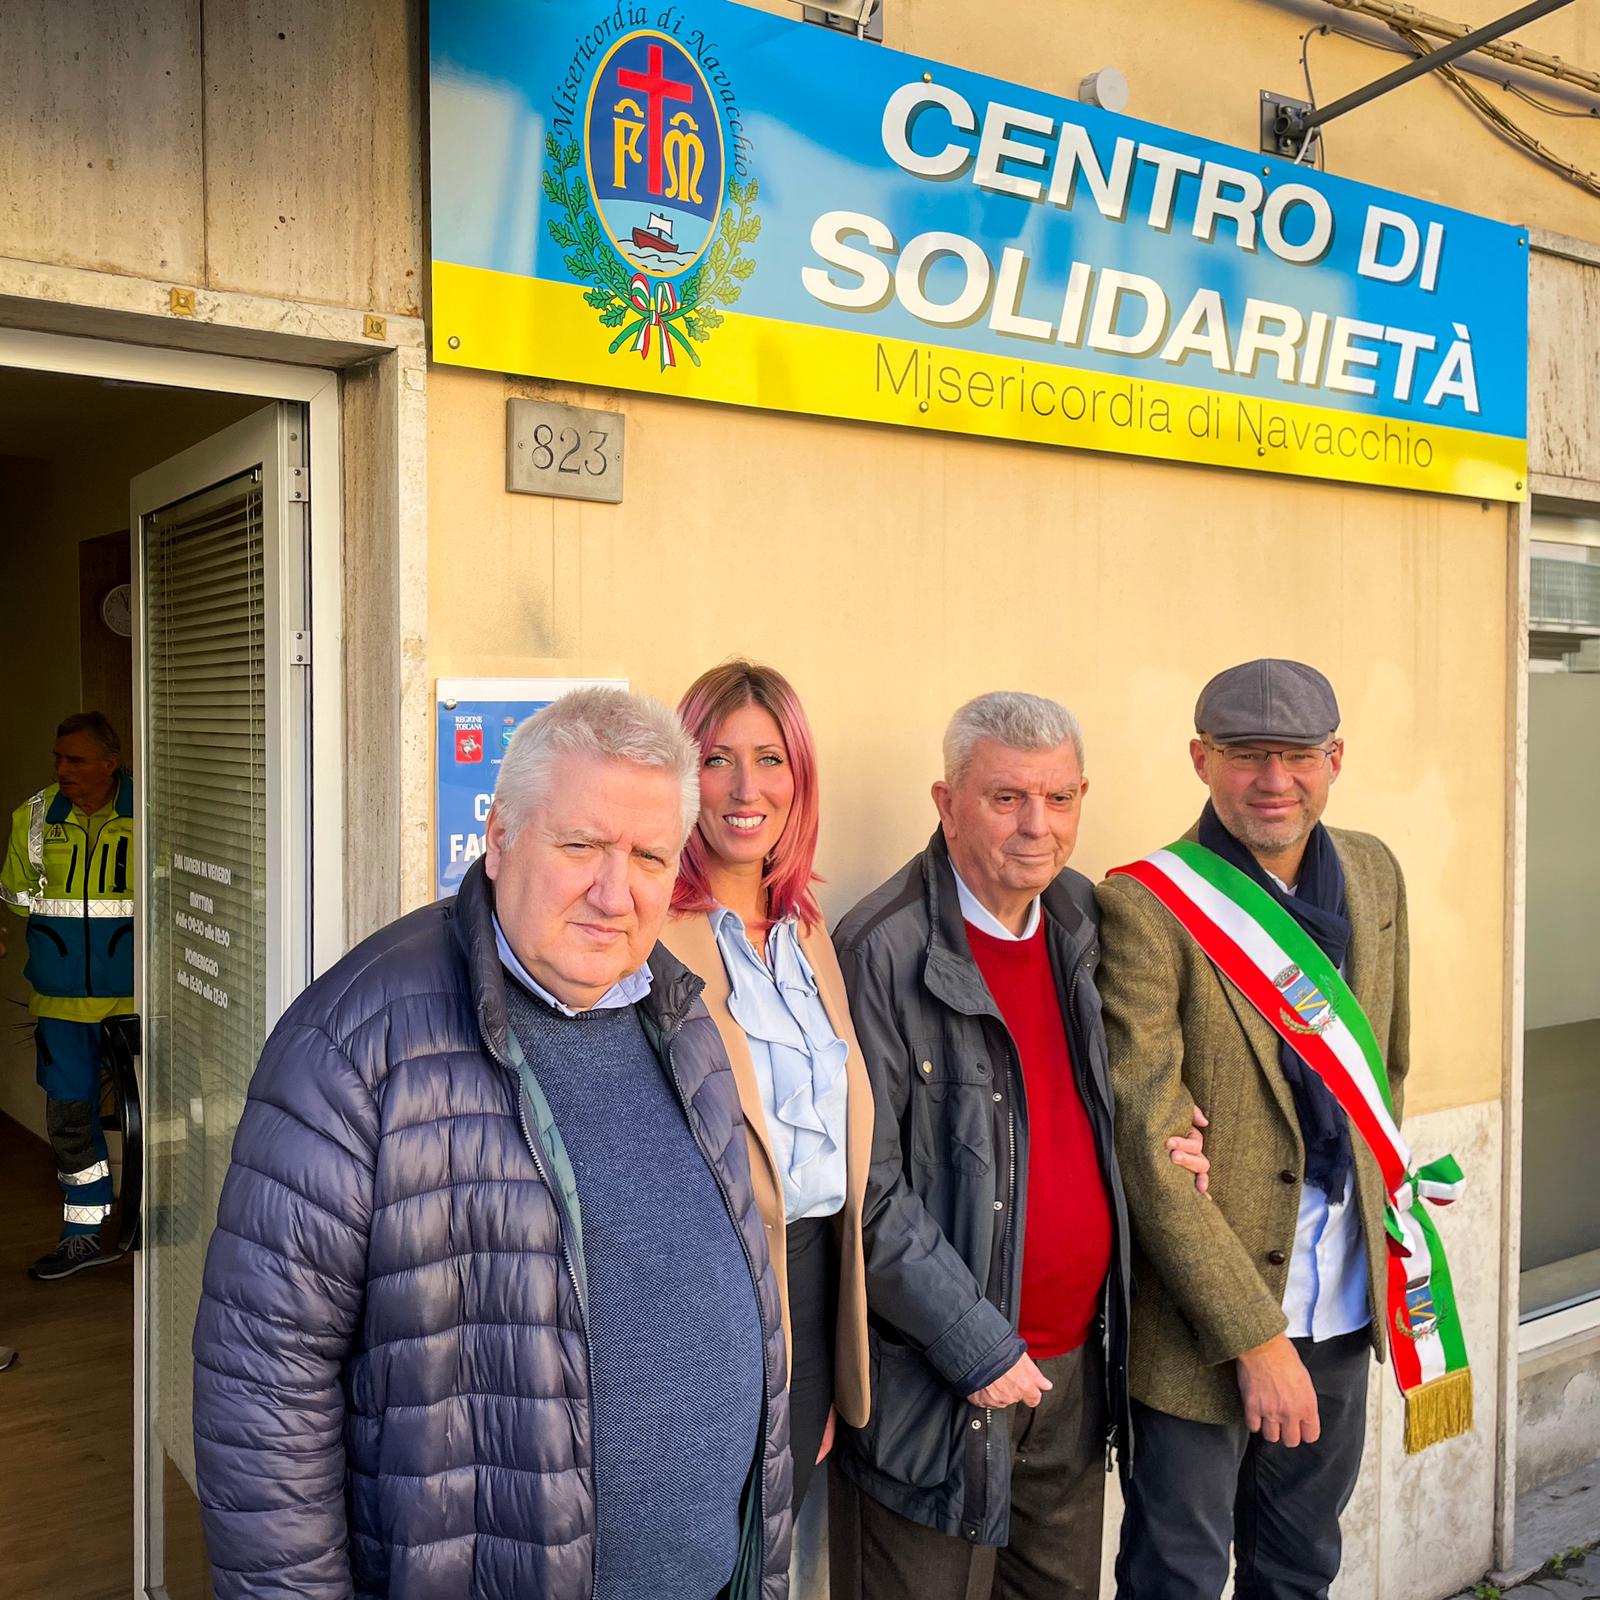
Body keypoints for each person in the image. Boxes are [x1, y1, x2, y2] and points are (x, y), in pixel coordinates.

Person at [191, 687, 790, 1600]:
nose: (613, 890)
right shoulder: (355, 1044)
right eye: (581, 845)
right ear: (501, 837)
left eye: (648, 856)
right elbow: (261, 1397)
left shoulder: (682, 1019)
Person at [828, 691, 1209, 1600]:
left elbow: (1123, 1076)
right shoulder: (882, 949)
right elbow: (864, 1190)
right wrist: (977, 1346)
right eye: (1006, 799)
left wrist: (1173, 1129)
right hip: (935, 1386)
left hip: (1072, 1379)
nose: (1037, 826)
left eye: (1060, 799)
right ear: (946, 801)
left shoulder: (1087, 919)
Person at [1097, 659, 1410, 1600]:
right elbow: (1150, 1146)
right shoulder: (1146, 904)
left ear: (1335, 759)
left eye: (1297, 755)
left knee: (1301, 1565)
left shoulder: (1374, 870)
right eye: (1244, 755)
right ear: (1201, 760)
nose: (1273, 780)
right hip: (1203, 1323)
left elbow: (1386, 1067)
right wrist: (1255, 1339)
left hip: (1345, 1301)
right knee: (1178, 1575)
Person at [660, 660, 873, 1523]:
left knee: (771, 1556)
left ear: (801, 778)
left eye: (771, 759)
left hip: (815, 1296)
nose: (747, 787)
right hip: (706, 1306)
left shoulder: (810, 936)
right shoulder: (650, 936)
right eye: (716, 760)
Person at [1, 712, 134, 1280]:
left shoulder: (149, 810)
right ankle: (83, 1233)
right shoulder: (34, 816)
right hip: (60, 1002)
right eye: (58, 758)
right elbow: (16, 896)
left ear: (111, 762)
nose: (63, 769)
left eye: (75, 760)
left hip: (140, 1000)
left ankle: (167, 1225)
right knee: (72, 1120)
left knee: (165, 1116)